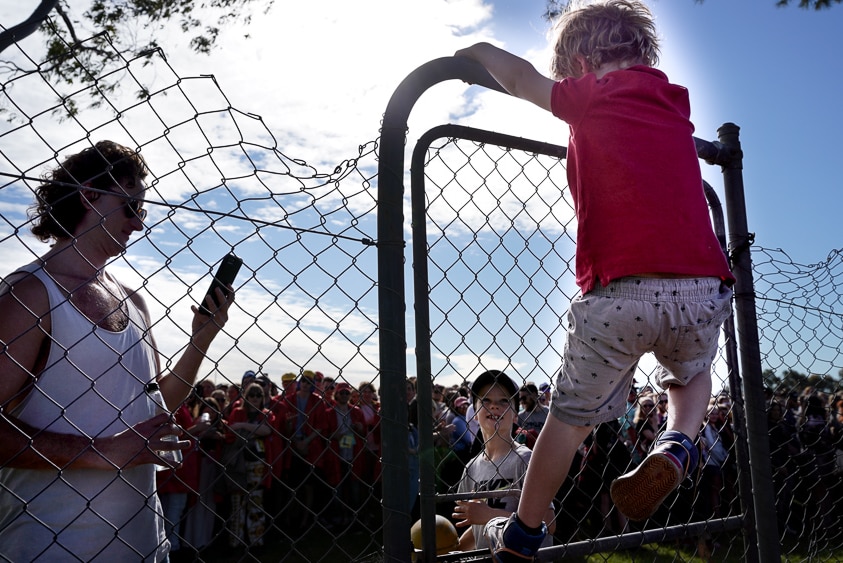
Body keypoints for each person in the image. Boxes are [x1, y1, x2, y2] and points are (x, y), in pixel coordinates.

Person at [454, 1, 734, 559]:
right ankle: (678, 442)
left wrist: (476, 52)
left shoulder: (590, 95)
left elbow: (518, 78)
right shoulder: (673, 102)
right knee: (693, 375)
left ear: (580, 64)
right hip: (701, 284)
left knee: (569, 419)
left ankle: (523, 531)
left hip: (620, 291)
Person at [0, 141, 233, 561]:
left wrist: (203, 338)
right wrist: (103, 453)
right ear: (89, 195)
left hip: (146, 545)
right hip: (51, 549)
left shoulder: (134, 302)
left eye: (142, 212)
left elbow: (157, 400)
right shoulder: (29, 295)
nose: (139, 224)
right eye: (130, 207)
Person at [452, 370, 555, 552]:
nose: (494, 406)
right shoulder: (471, 469)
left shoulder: (526, 460)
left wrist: (490, 515)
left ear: (516, 415)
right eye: (486, 400)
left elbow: (549, 522)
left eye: (504, 401)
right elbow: (478, 527)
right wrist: (453, 549)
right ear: (474, 413)